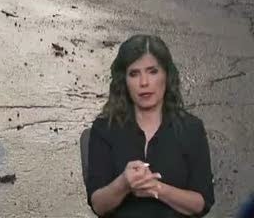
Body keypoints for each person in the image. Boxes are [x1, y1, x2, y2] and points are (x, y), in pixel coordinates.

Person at [86, 34, 214, 218]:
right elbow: (98, 205)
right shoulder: (105, 128)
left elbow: (201, 203)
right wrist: (123, 184)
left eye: (152, 71)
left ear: (166, 76)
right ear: (124, 81)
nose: (144, 83)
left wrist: (157, 188)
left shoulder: (191, 128)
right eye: (134, 73)